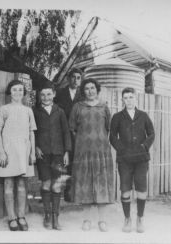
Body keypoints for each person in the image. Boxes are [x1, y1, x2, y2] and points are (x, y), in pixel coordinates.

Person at [68, 78, 115, 232]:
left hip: (101, 152)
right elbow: (72, 128)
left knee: (101, 184)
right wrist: (82, 142)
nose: (90, 91)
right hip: (83, 152)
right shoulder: (77, 107)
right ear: (83, 91)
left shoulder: (104, 107)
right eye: (86, 88)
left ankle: (102, 221)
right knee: (85, 185)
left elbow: (109, 128)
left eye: (92, 88)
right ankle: (87, 220)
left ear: (97, 89)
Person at [0, 79, 37, 231]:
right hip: (9, 151)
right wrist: (2, 152)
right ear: (9, 92)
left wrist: (32, 152)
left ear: (24, 93)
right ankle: (11, 218)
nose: (17, 92)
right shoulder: (4, 109)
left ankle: (21, 216)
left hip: (23, 151)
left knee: (22, 185)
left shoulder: (28, 110)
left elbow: (31, 132)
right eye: (14, 89)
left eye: (20, 90)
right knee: (9, 184)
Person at [109, 87, 155, 233]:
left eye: (131, 97)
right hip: (125, 159)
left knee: (141, 188)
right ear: (122, 100)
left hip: (141, 159)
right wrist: (121, 149)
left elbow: (152, 134)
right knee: (125, 189)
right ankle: (127, 219)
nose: (128, 100)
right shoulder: (117, 117)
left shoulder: (143, 115)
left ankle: (140, 218)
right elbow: (112, 137)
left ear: (136, 98)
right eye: (126, 98)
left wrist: (144, 146)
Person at [33, 83, 72, 230]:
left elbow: (66, 132)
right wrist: (35, 146)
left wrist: (67, 151)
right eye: (42, 94)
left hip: (58, 154)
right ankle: (47, 215)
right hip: (43, 153)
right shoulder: (35, 111)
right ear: (39, 96)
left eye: (49, 94)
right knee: (46, 184)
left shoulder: (60, 111)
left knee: (57, 185)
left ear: (54, 94)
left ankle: (56, 217)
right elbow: (32, 131)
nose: (45, 97)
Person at [54, 68, 83, 202]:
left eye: (78, 77)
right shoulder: (60, 93)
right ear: (68, 78)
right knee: (62, 162)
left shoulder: (82, 94)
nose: (75, 80)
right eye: (73, 77)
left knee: (75, 162)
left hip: (77, 133)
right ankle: (56, 192)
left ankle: (70, 192)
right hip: (62, 132)